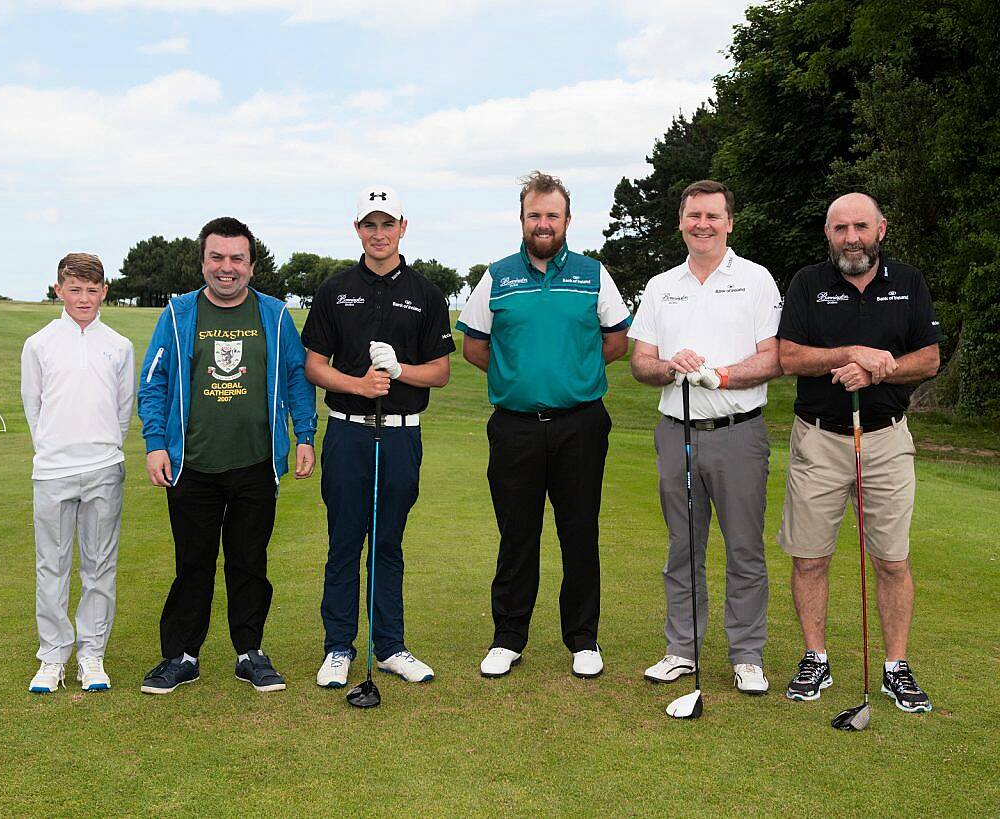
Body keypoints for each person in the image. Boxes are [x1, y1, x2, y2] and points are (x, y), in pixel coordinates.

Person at [457, 171, 631, 679]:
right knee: (517, 533)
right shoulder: (497, 275)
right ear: (522, 219)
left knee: (579, 531)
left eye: (552, 215)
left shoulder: (593, 274)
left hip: (581, 423)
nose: (544, 223)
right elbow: (475, 346)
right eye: (535, 214)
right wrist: (518, 377)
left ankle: (583, 639)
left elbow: (616, 341)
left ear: (568, 220)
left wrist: (573, 373)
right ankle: (508, 637)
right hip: (515, 427)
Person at [137, 216, 316, 694]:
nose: (226, 267)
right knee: (192, 565)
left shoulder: (275, 315)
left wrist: (304, 435)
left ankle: (249, 653)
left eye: (237, 258)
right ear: (203, 261)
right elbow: (153, 382)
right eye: (216, 257)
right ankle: (180, 656)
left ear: (252, 265)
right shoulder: (177, 314)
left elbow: (297, 378)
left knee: (248, 563)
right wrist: (155, 443)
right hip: (191, 466)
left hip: (256, 465)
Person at [778, 192, 941, 712]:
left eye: (861, 227)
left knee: (892, 561)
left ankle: (895, 666)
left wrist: (878, 367)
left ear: (881, 229)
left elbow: (930, 359)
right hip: (819, 438)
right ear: (828, 234)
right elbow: (789, 356)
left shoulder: (908, 282)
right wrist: (851, 353)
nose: (852, 238)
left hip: (887, 440)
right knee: (810, 558)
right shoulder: (808, 283)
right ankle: (815, 658)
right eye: (841, 228)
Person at [628, 180, 782, 695]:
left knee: (743, 549)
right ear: (680, 222)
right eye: (694, 215)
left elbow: (772, 357)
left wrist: (722, 375)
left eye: (713, 216)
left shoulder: (757, 280)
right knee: (683, 547)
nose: (703, 224)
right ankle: (682, 650)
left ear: (729, 222)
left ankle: (746, 655)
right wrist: (670, 366)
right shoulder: (660, 285)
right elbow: (640, 363)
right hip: (677, 432)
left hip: (738, 432)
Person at [303, 186, 454, 688]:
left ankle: (390, 646)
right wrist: (361, 384)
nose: (379, 233)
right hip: (348, 434)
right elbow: (314, 366)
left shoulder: (427, 294)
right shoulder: (334, 290)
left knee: (388, 542)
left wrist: (400, 369)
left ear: (403, 228)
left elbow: (439, 373)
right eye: (370, 224)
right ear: (357, 230)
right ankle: (339, 648)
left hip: (400, 437)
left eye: (387, 224)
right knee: (344, 542)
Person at [21, 253, 135, 693]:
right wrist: (54, 450)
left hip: (104, 467)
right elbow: (34, 407)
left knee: (99, 567)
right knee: (51, 566)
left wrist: (102, 447)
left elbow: (121, 410)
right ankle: (52, 656)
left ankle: (92, 654)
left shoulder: (118, 345)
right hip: (52, 472)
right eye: (74, 290)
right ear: (58, 290)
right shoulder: (39, 344)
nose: (83, 298)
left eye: (92, 290)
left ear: (105, 291)